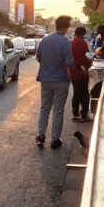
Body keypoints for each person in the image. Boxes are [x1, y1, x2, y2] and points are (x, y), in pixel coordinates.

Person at [36, 16, 73, 149]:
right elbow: (69, 63)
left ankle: (41, 136)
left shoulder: (44, 40)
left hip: (45, 79)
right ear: (66, 27)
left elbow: (38, 57)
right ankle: (54, 140)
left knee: (44, 107)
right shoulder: (65, 43)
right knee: (58, 111)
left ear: (56, 25)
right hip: (60, 81)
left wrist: (47, 66)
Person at [69, 27, 92, 122]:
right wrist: (91, 60)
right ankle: (84, 114)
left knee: (76, 92)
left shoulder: (71, 41)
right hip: (82, 70)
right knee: (84, 93)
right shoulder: (82, 42)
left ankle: (75, 111)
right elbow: (86, 55)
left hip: (73, 71)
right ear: (83, 33)